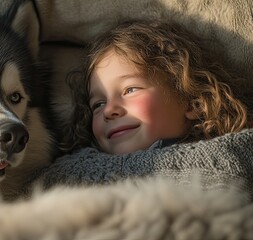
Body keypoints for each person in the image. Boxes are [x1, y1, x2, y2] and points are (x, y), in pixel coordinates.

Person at [63, 20, 251, 155]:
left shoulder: (232, 153)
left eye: (130, 90)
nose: (109, 110)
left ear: (193, 102)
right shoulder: (71, 172)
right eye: (98, 104)